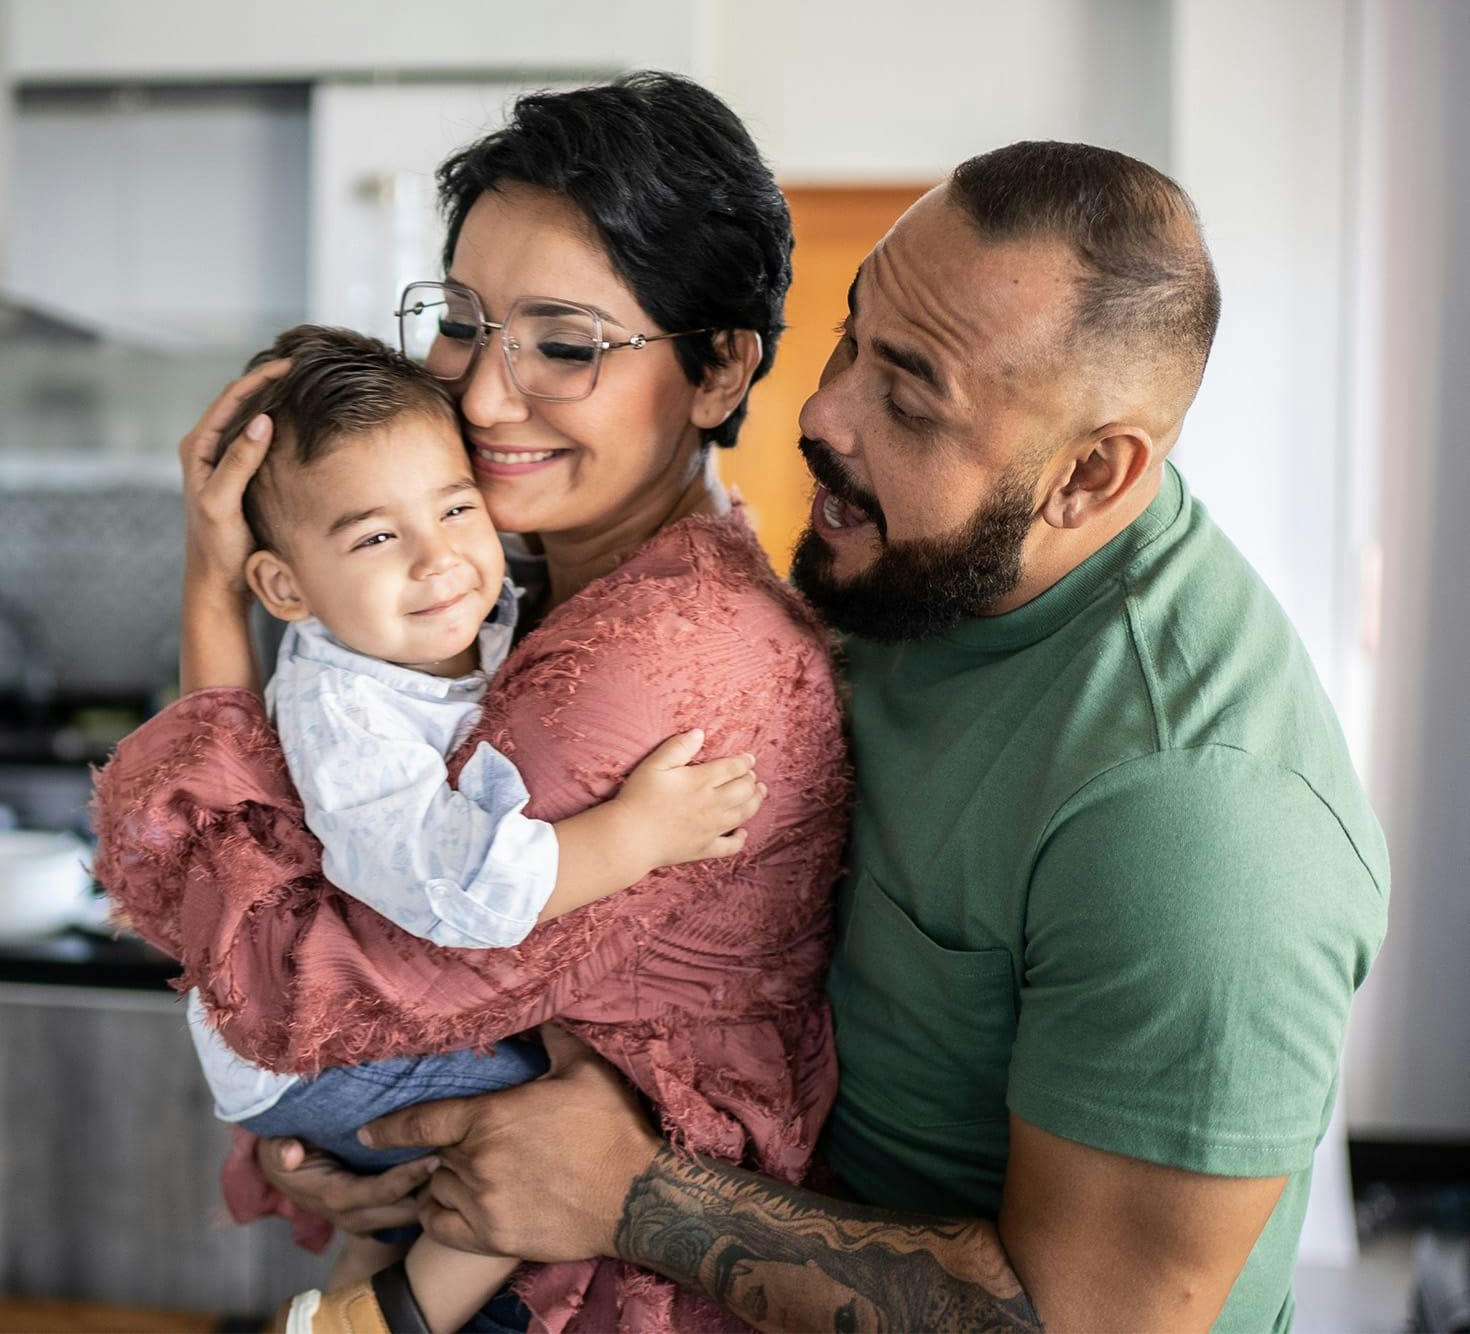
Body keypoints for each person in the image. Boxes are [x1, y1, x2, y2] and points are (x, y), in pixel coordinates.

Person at [253, 142, 1386, 1334]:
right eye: (849, 337)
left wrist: (631, 1196)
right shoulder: (911, 571)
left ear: (1090, 475)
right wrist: (395, 1137)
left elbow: (1094, 1321)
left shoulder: (1200, 818)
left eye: (907, 394)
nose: (821, 411)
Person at [91, 72, 849, 1334]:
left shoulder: (644, 668)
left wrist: (214, 598)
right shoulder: (518, 593)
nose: (483, 397)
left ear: (718, 369)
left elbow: (286, 993)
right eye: (463, 322)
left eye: (563, 343)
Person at [127, 325, 766, 1332]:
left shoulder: (458, 614)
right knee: (546, 1130)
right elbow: (463, 890)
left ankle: (365, 1278)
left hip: (324, 1037)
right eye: (377, 537)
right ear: (287, 591)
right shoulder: (348, 719)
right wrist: (641, 834)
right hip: (312, 1052)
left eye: (457, 506)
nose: (440, 561)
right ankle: (379, 1318)